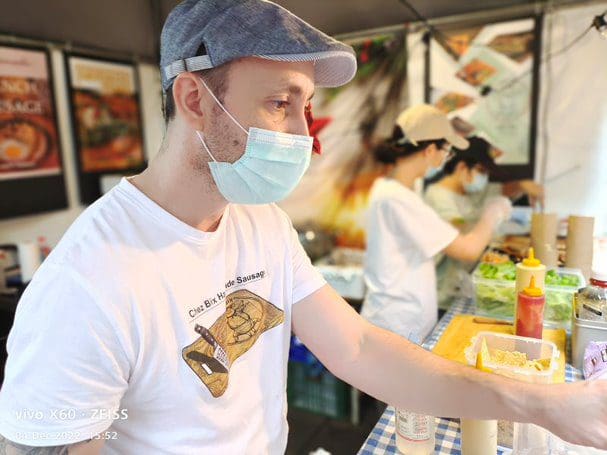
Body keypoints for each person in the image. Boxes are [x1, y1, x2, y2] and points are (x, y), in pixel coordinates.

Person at [0, 2, 606, 454]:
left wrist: (545, 405)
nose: (303, 134)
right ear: (195, 100)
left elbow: (358, 347)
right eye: (280, 103)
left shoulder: (261, 222)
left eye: (306, 107)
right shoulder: (87, 280)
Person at [360, 106, 512, 338]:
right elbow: (468, 250)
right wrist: (493, 213)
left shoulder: (391, 190)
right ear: (430, 150)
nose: (444, 160)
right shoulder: (398, 199)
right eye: (446, 151)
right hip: (397, 323)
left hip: (398, 318)